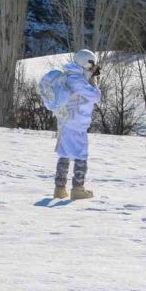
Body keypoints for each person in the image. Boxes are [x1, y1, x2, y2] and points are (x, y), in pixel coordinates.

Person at [50, 49, 102, 200]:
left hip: (68, 122)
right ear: (86, 62)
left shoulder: (71, 76)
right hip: (76, 123)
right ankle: (78, 189)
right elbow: (95, 96)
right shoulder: (77, 80)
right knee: (81, 155)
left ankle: (59, 189)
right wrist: (94, 82)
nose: (93, 68)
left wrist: (89, 77)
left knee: (65, 154)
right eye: (92, 64)